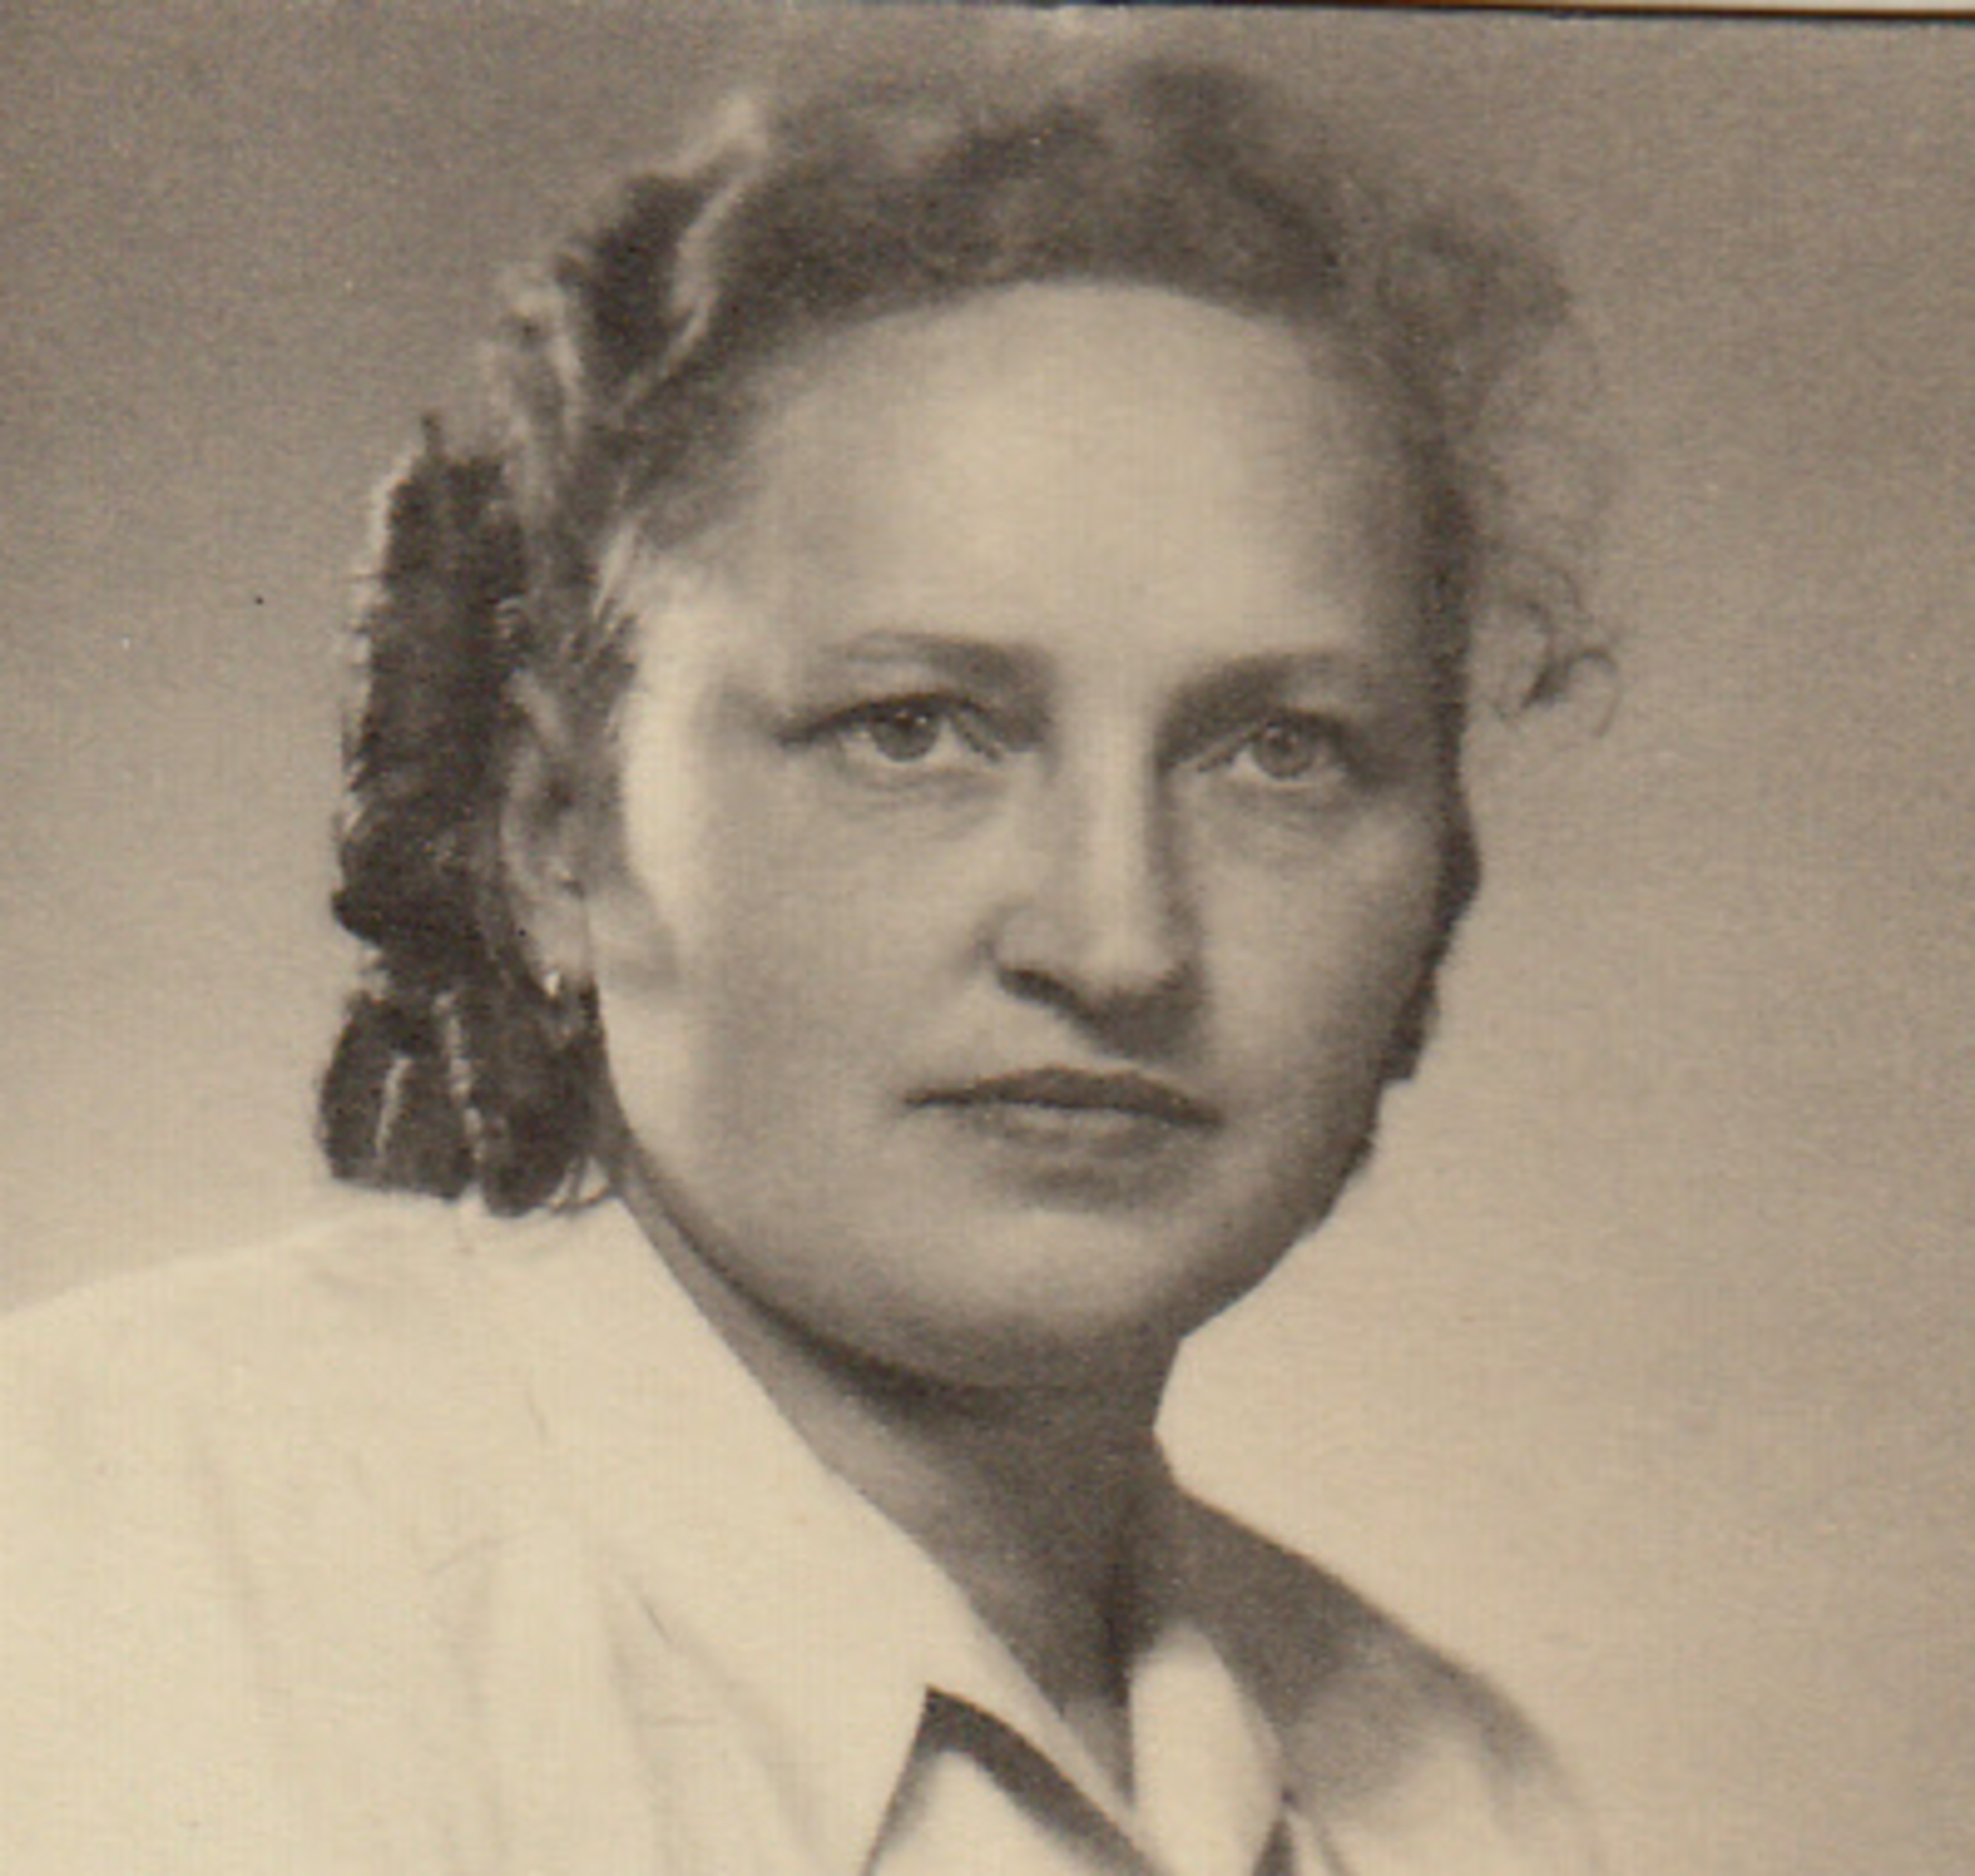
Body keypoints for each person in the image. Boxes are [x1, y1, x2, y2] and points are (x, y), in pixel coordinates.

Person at [0, 53, 1601, 1875]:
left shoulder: (1456, 1801)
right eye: (915, 731)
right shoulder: (116, 1561)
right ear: (557, 837)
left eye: (1278, 753)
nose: (1117, 942)